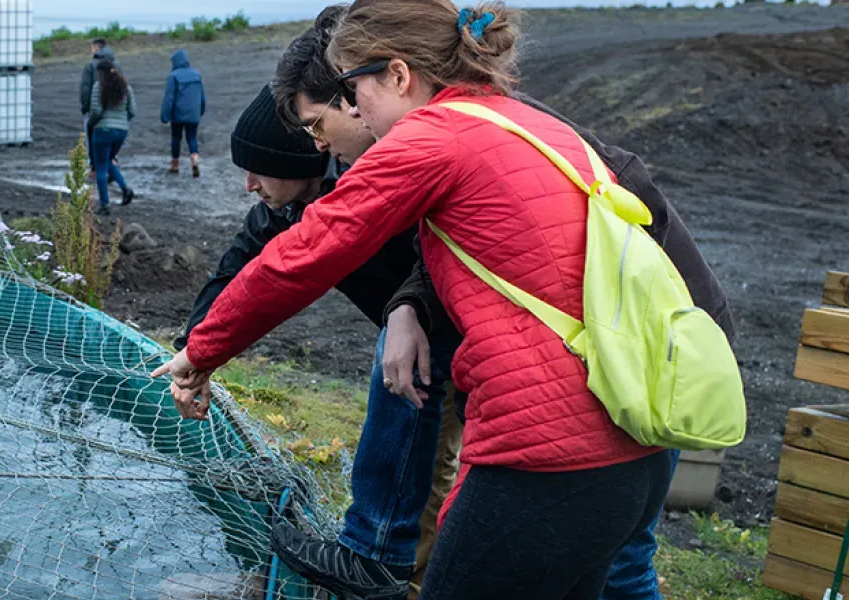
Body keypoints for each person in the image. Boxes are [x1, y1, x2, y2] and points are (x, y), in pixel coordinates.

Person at [155, 0, 734, 597]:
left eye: (356, 90)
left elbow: (300, 257)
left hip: (547, 453)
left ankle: (376, 555)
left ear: (399, 75)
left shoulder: (430, 138)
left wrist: (200, 353)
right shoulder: (522, 123)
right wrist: (409, 305)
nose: (354, 109)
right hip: (629, 436)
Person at [176, 80, 455, 600]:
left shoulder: (365, 184)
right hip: (408, 335)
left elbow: (438, 255)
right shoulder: (279, 209)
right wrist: (193, 348)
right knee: (410, 455)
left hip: (447, 334)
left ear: (301, 158)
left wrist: (410, 308)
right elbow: (235, 271)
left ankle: (406, 585)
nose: (249, 184)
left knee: (428, 468)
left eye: (258, 169)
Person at [88, 60, 136, 215]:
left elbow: (96, 111)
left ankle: (104, 205)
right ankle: (125, 189)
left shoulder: (98, 87)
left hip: (102, 130)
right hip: (121, 131)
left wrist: (91, 124)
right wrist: (122, 122)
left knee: (101, 166)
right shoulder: (125, 87)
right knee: (109, 160)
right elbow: (132, 111)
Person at [161, 49, 206, 177]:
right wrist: (200, 110)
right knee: (192, 137)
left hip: (178, 114)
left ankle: (175, 164)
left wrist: (165, 116)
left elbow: (169, 98)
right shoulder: (197, 75)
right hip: (194, 113)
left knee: (176, 138)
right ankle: (195, 159)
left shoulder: (173, 76)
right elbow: (202, 96)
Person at [81, 38, 118, 169]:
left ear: (96, 48)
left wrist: (85, 107)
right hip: (114, 107)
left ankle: (94, 167)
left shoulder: (91, 65)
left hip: (95, 107)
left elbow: (86, 88)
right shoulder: (116, 64)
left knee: (92, 136)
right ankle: (112, 162)